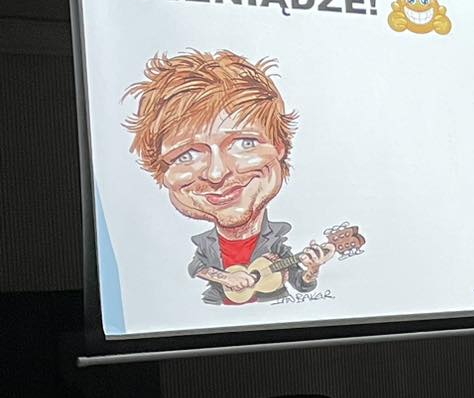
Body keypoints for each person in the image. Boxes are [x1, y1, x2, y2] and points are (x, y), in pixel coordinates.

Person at [123, 49, 331, 304]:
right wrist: (225, 278)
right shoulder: (203, 245)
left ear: (279, 146)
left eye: (244, 143)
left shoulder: (278, 244)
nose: (216, 173)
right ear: (163, 173)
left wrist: (312, 270)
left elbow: (301, 284)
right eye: (187, 155)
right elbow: (196, 268)